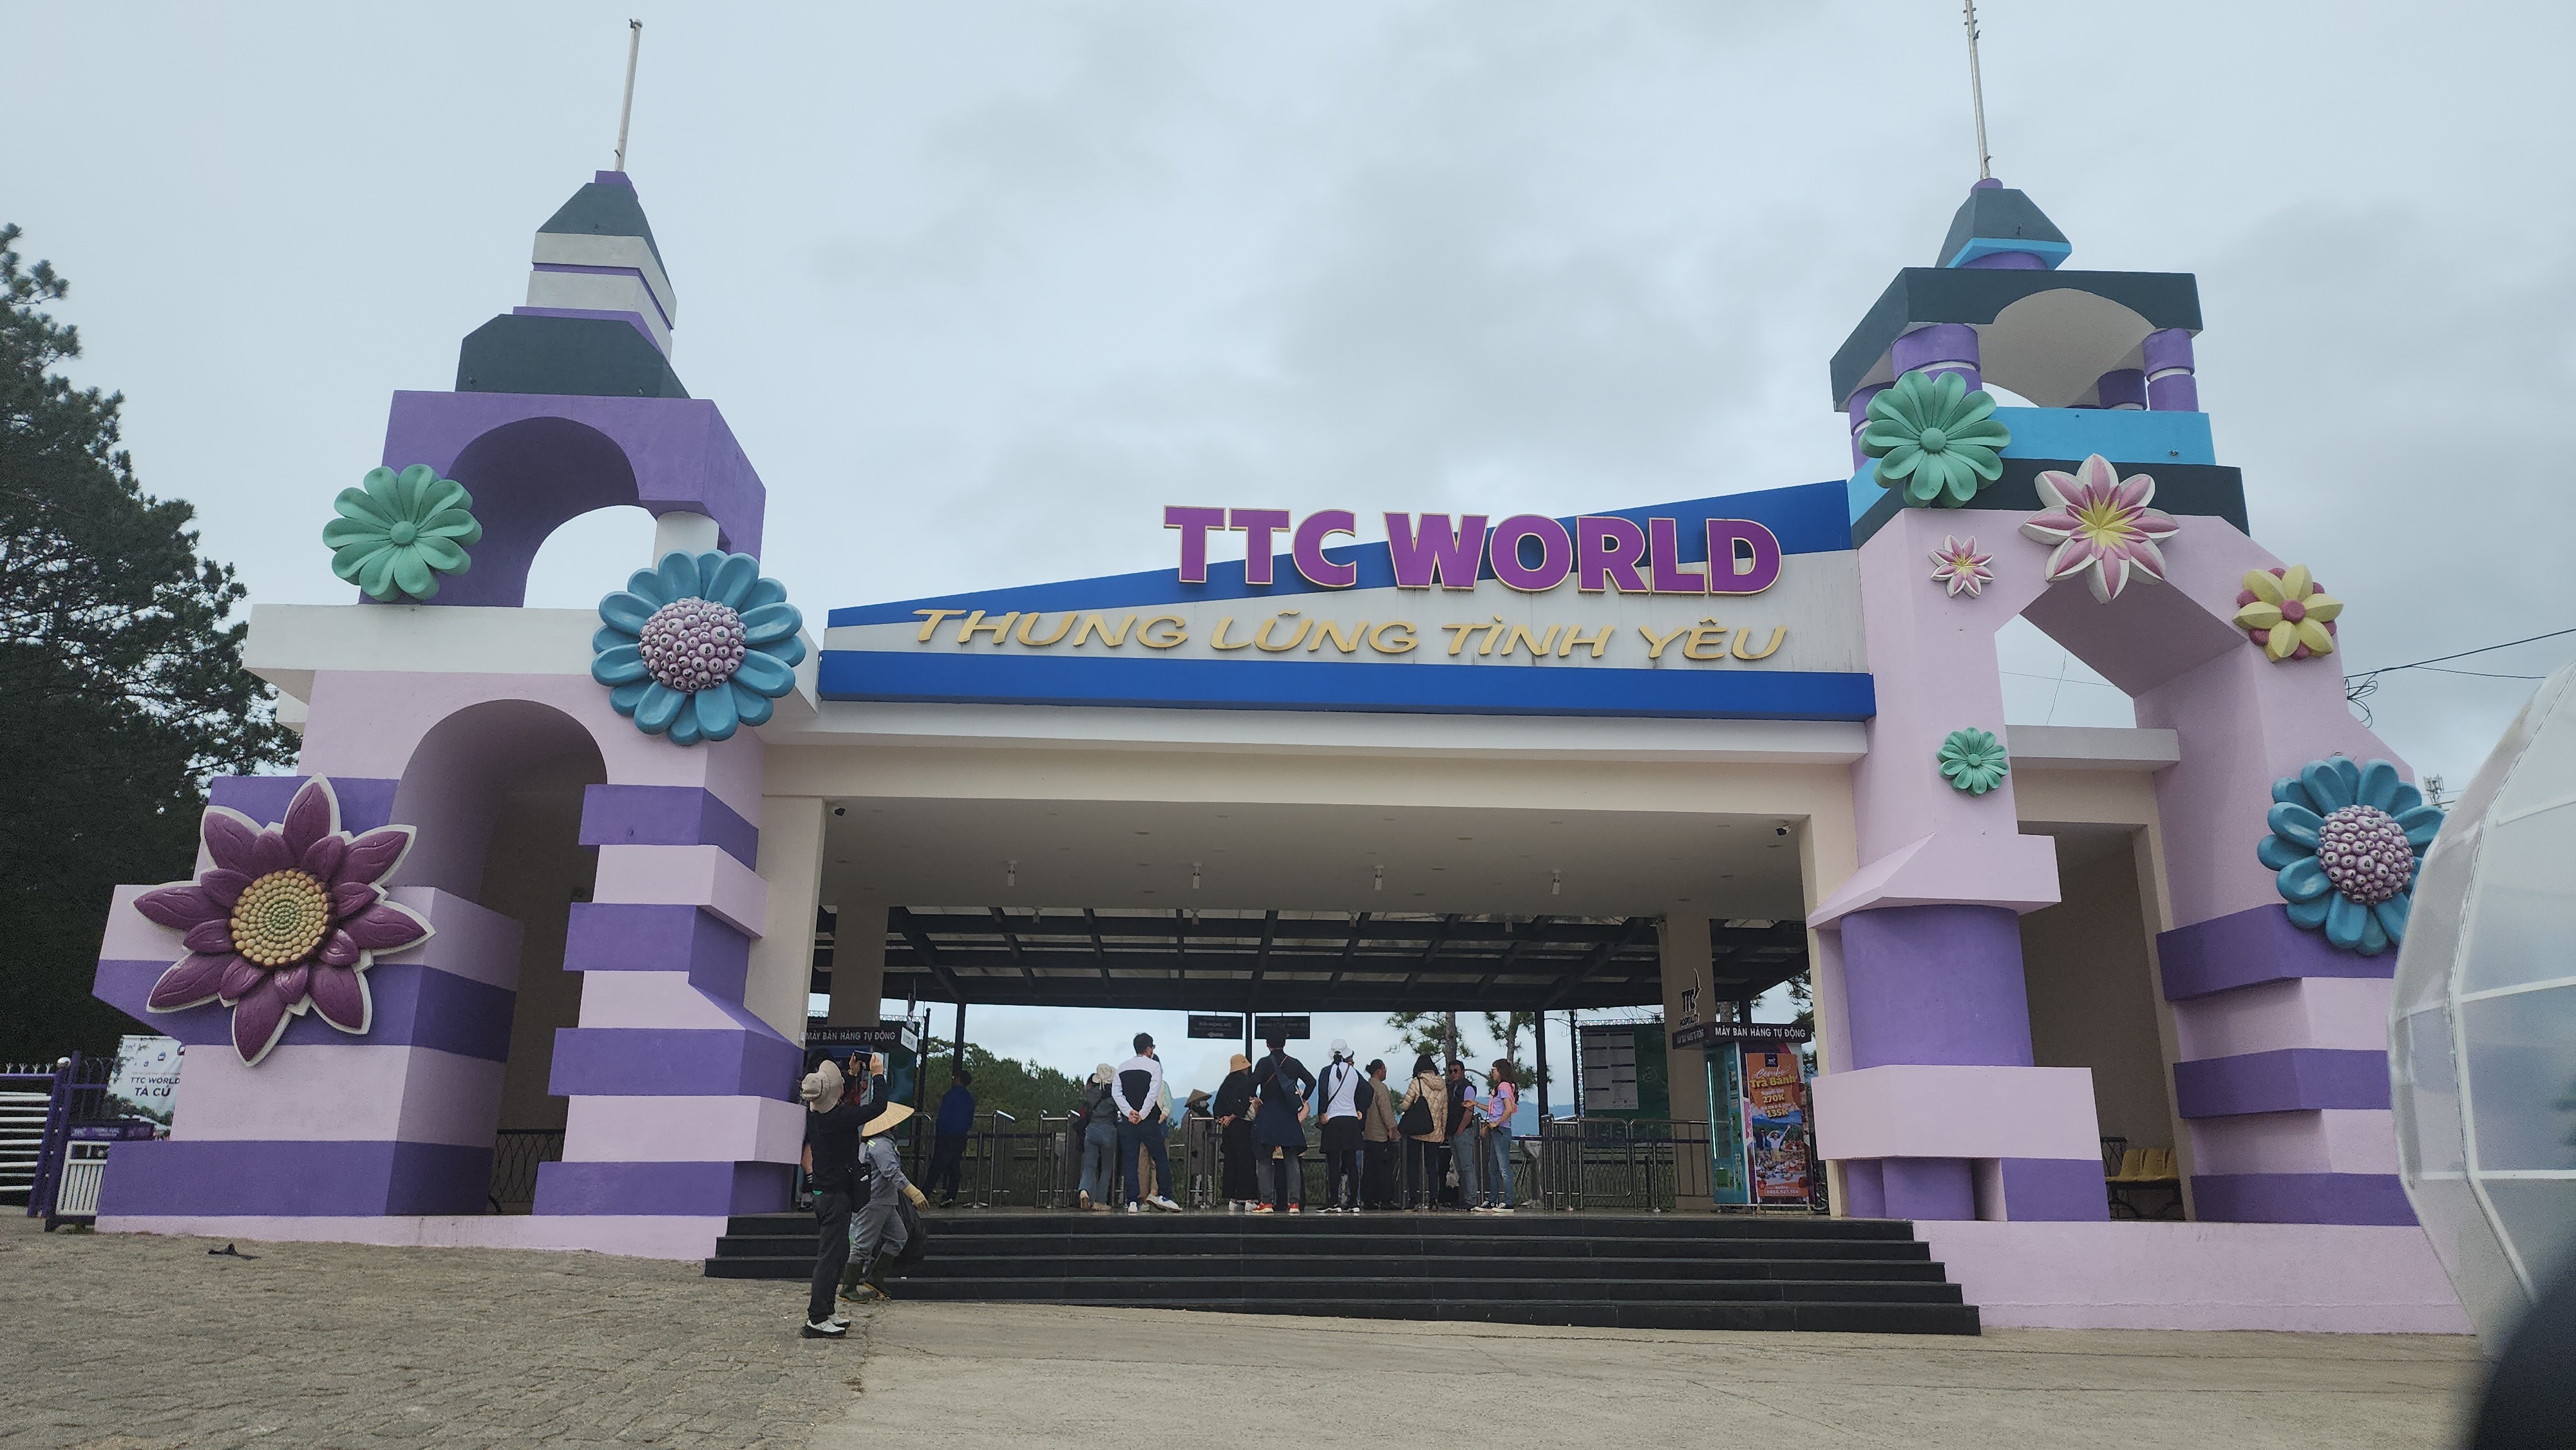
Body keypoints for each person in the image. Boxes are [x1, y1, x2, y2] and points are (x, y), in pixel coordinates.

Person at [797, 1059, 865, 1339]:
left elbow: (839, 1099)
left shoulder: (816, 1116)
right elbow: (878, 1107)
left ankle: (827, 1310)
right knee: (829, 1258)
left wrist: (852, 1075)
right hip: (836, 1197)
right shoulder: (838, 1118)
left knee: (837, 1255)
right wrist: (878, 1076)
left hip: (825, 1195)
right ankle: (816, 1317)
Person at [841, 1097, 920, 1300]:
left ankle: (875, 1278)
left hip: (885, 1201)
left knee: (899, 1238)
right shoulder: (881, 1145)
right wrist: (913, 1192)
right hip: (874, 1201)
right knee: (863, 1245)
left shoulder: (874, 1143)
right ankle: (848, 1288)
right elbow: (891, 1171)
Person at [1112, 1032, 1182, 1212]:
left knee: (1131, 1161)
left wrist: (1129, 1112)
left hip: (1128, 1121)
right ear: (1149, 1049)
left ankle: (1133, 1201)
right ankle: (1165, 1196)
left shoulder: (1122, 1067)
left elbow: (1116, 1093)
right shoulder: (1154, 1066)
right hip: (1148, 1121)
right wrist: (1142, 1114)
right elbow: (1153, 1093)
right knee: (1160, 1158)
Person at [1250, 1033, 1314, 1213]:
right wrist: (1302, 1100)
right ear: (1284, 1043)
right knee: (1292, 1159)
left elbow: (1251, 1084)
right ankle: (1294, 1203)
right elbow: (1311, 1082)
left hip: (1268, 1114)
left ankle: (1266, 1202)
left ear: (1267, 1044)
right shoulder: (1294, 1063)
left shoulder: (1264, 1063)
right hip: (1288, 1115)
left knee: (1264, 1159)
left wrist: (1255, 1098)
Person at [1313, 1039, 1367, 1213]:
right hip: (1351, 1120)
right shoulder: (1354, 1072)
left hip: (1333, 1120)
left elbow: (1323, 1093)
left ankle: (1333, 1202)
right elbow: (1367, 1090)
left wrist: (1322, 1112)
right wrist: (1360, 1109)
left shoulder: (1326, 1072)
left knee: (1334, 1163)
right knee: (1352, 1164)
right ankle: (1354, 1202)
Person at [1396, 1053, 1448, 1211]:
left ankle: (1414, 1199)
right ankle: (1433, 1200)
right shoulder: (1442, 1084)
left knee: (1413, 1165)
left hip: (1417, 1130)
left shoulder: (1417, 1082)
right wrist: (1442, 1130)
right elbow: (1445, 1110)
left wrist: (1402, 1105)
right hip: (1435, 1131)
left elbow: (1405, 1106)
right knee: (1432, 1167)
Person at [1213, 1053, 1258, 1211]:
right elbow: (1244, 1104)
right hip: (1243, 1126)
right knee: (1246, 1162)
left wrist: (1223, 1119)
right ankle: (1250, 1199)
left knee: (1231, 1162)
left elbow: (1217, 1106)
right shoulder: (1246, 1083)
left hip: (1228, 1129)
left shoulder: (1226, 1084)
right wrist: (1233, 1116)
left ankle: (1233, 1199)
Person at [929, 1068, 975, 1207]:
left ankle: (923, 1194)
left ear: (959, 1079)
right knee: (955, 1167)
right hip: (960, 1137)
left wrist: (940, 1134)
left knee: (936, 1167)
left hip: (946, 1136)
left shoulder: (950, 1095)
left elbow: (943, 1117)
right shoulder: (969, 1098)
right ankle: (950, 1195)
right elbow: (969, 1120)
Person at [1476, 1060, 1519, 1211]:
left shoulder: (1503, 1087)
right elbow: (1494, 1109)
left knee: (1503, 1168)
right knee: (1493, 1167)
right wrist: (1475, 1104)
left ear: (1500, 1071)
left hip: (1501, 1130)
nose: (1492, 1073)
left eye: (1494, 1070)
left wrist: (1497, 1123)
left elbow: (1509, 1109)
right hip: (1498, 1131)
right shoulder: (1505, 1087)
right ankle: (1492, 1199)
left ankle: (1508, 1201)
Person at [1077, 1062, 1118, 1211]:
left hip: (1091, 1130)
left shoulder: (1091, 1093)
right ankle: (1100, 1202)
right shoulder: (1114, 1094)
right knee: (1106, 1168)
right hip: (1108, 1130)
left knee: (1089, 1166)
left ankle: (1084, 1191)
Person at [1360, 1058, 1399, 1210]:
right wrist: (1392, 1128)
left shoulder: (1365, 1086)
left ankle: (1368, 1199)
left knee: (1369, 1169)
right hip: (1380, 1135)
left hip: (1367, 1134)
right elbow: (1386, 1110)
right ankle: (1385, 1200)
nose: (1385, 1072)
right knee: (1384, 1170)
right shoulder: (1380, 1088)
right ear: (1379, 1071)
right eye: (1385, 1069)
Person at [1445, 1059, 1479, 1210]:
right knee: (1460, 1168)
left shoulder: (1468, 1088)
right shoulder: (1451, 1088)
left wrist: (1461, 1128)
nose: (1453, 1074)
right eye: (1451, 1071)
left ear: (1463, 1072)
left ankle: (1470, 1200)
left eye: (1456, 1071)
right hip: (1453, 1132)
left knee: (1467, 1167)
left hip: (1463, 1131)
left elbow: (1469, 1111)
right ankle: (1464, 1198)